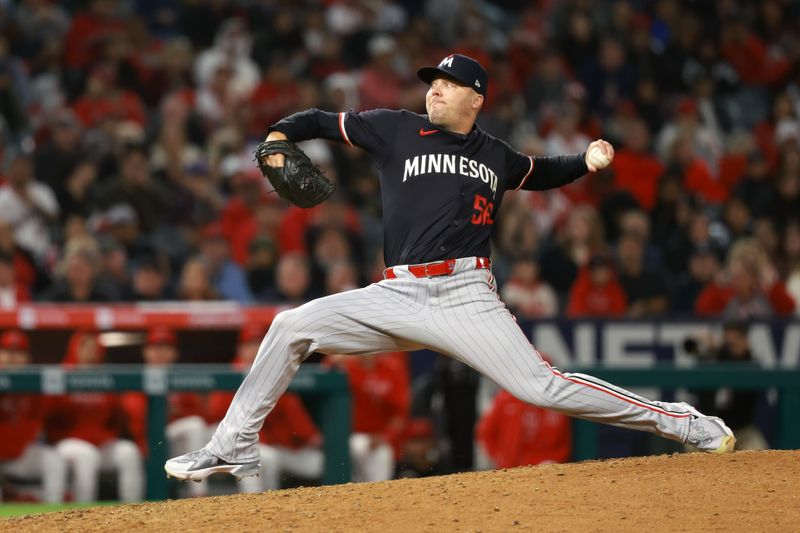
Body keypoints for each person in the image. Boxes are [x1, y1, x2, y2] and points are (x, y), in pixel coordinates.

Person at [166, 53, 735, 483]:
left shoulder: (496, 154)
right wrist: (276, 136)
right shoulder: (394, 128)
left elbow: (542, 171)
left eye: (447, 83)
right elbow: (316, 118)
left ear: (476, 98)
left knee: (541, 387)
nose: (434, 87)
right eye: (431, 82)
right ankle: (233, 443)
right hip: (396, 293)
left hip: (467, 295)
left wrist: (585, 162)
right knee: (290, 326)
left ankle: (677, 420)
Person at [207, 323, 324, 492]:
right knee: (259, 457)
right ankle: (256, 507)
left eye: (258, 344)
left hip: (271, 443)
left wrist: (311, 436)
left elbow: (293, 413)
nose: (254, 349)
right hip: (233, 442)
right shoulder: (232, 373)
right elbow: (216, 415)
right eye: (249, 344)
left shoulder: (275, 372)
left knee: (316, 464)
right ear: (240, 349)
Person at [44, 330, 144, 502]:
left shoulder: (106, 377)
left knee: (129, 452)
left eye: (94, 347)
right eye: (85, 346)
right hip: (68, 441)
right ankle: (84, 517)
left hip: (101, 442)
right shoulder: (62, 374)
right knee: (86, 456)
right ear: (74, 348)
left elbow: (118, 417)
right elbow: (48, 417)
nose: (90, 351)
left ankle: (133, 511)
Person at [0, 330, 67, 503]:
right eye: (8, 352)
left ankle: (57, 518)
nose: (12, 358)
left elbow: (40, 422)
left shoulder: (35, 384)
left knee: (54, 460)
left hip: (21, 454)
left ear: (27, 357)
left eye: (18, 353)